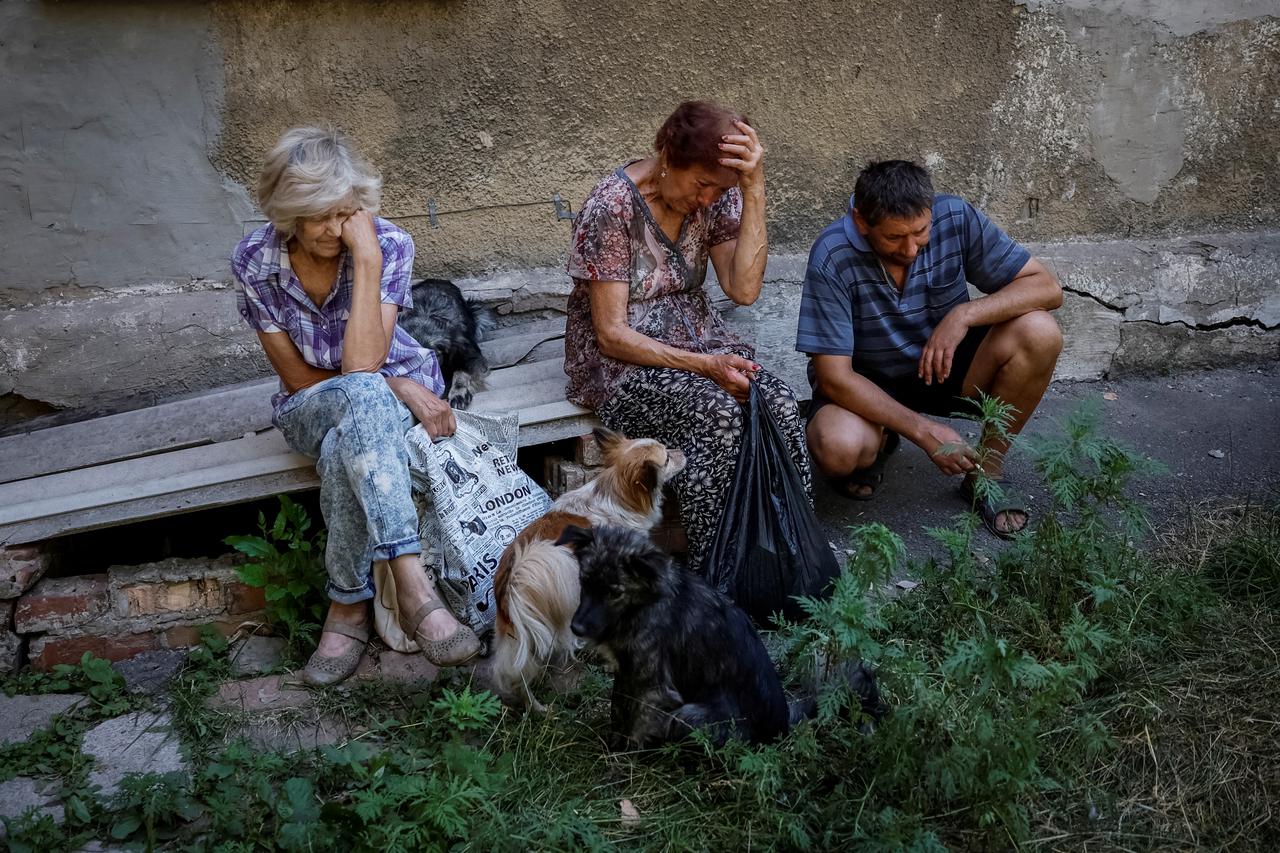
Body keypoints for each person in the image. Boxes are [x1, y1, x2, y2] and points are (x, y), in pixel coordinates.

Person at [232, 126, 482, 685]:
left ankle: (346, 607)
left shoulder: (387, 245)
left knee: (353, 431)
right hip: (310, 404)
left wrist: (366, 262)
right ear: (287, 213)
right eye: (317, 216)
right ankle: (415, 587)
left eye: (345, 214)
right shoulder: (255, 260)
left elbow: (364, 364)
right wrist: (400, 387)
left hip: (372, 403)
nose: (332, 230)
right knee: (366, 393)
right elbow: (297, 378)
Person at [563, 101, 811, 573]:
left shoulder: (719, 196)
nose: (706, 200)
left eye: (720, 189)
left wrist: (754, 190)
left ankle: (791, 557)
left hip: (698, 341)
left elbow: (744, 289)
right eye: (701, 184)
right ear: (668, 157)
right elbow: (612, 335)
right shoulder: (612, 206)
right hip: (618, 366)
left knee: (775, 400)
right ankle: (714, 573)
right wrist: (706, 367)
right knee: (717, 414)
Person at [797, 160, 1063, 538]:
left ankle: (986, 472)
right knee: (837, 448)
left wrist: (964, 314)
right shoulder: (831, 253)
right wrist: (922, 431)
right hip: (868, 383)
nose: (910, 249)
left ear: (931, 212)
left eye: (921, 232)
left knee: (1040, 332)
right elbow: (834, 377)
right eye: (893, 238)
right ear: (860, 221)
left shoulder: (955, 216)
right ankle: (884, 434)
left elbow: (1046, 288)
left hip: (944, 369)